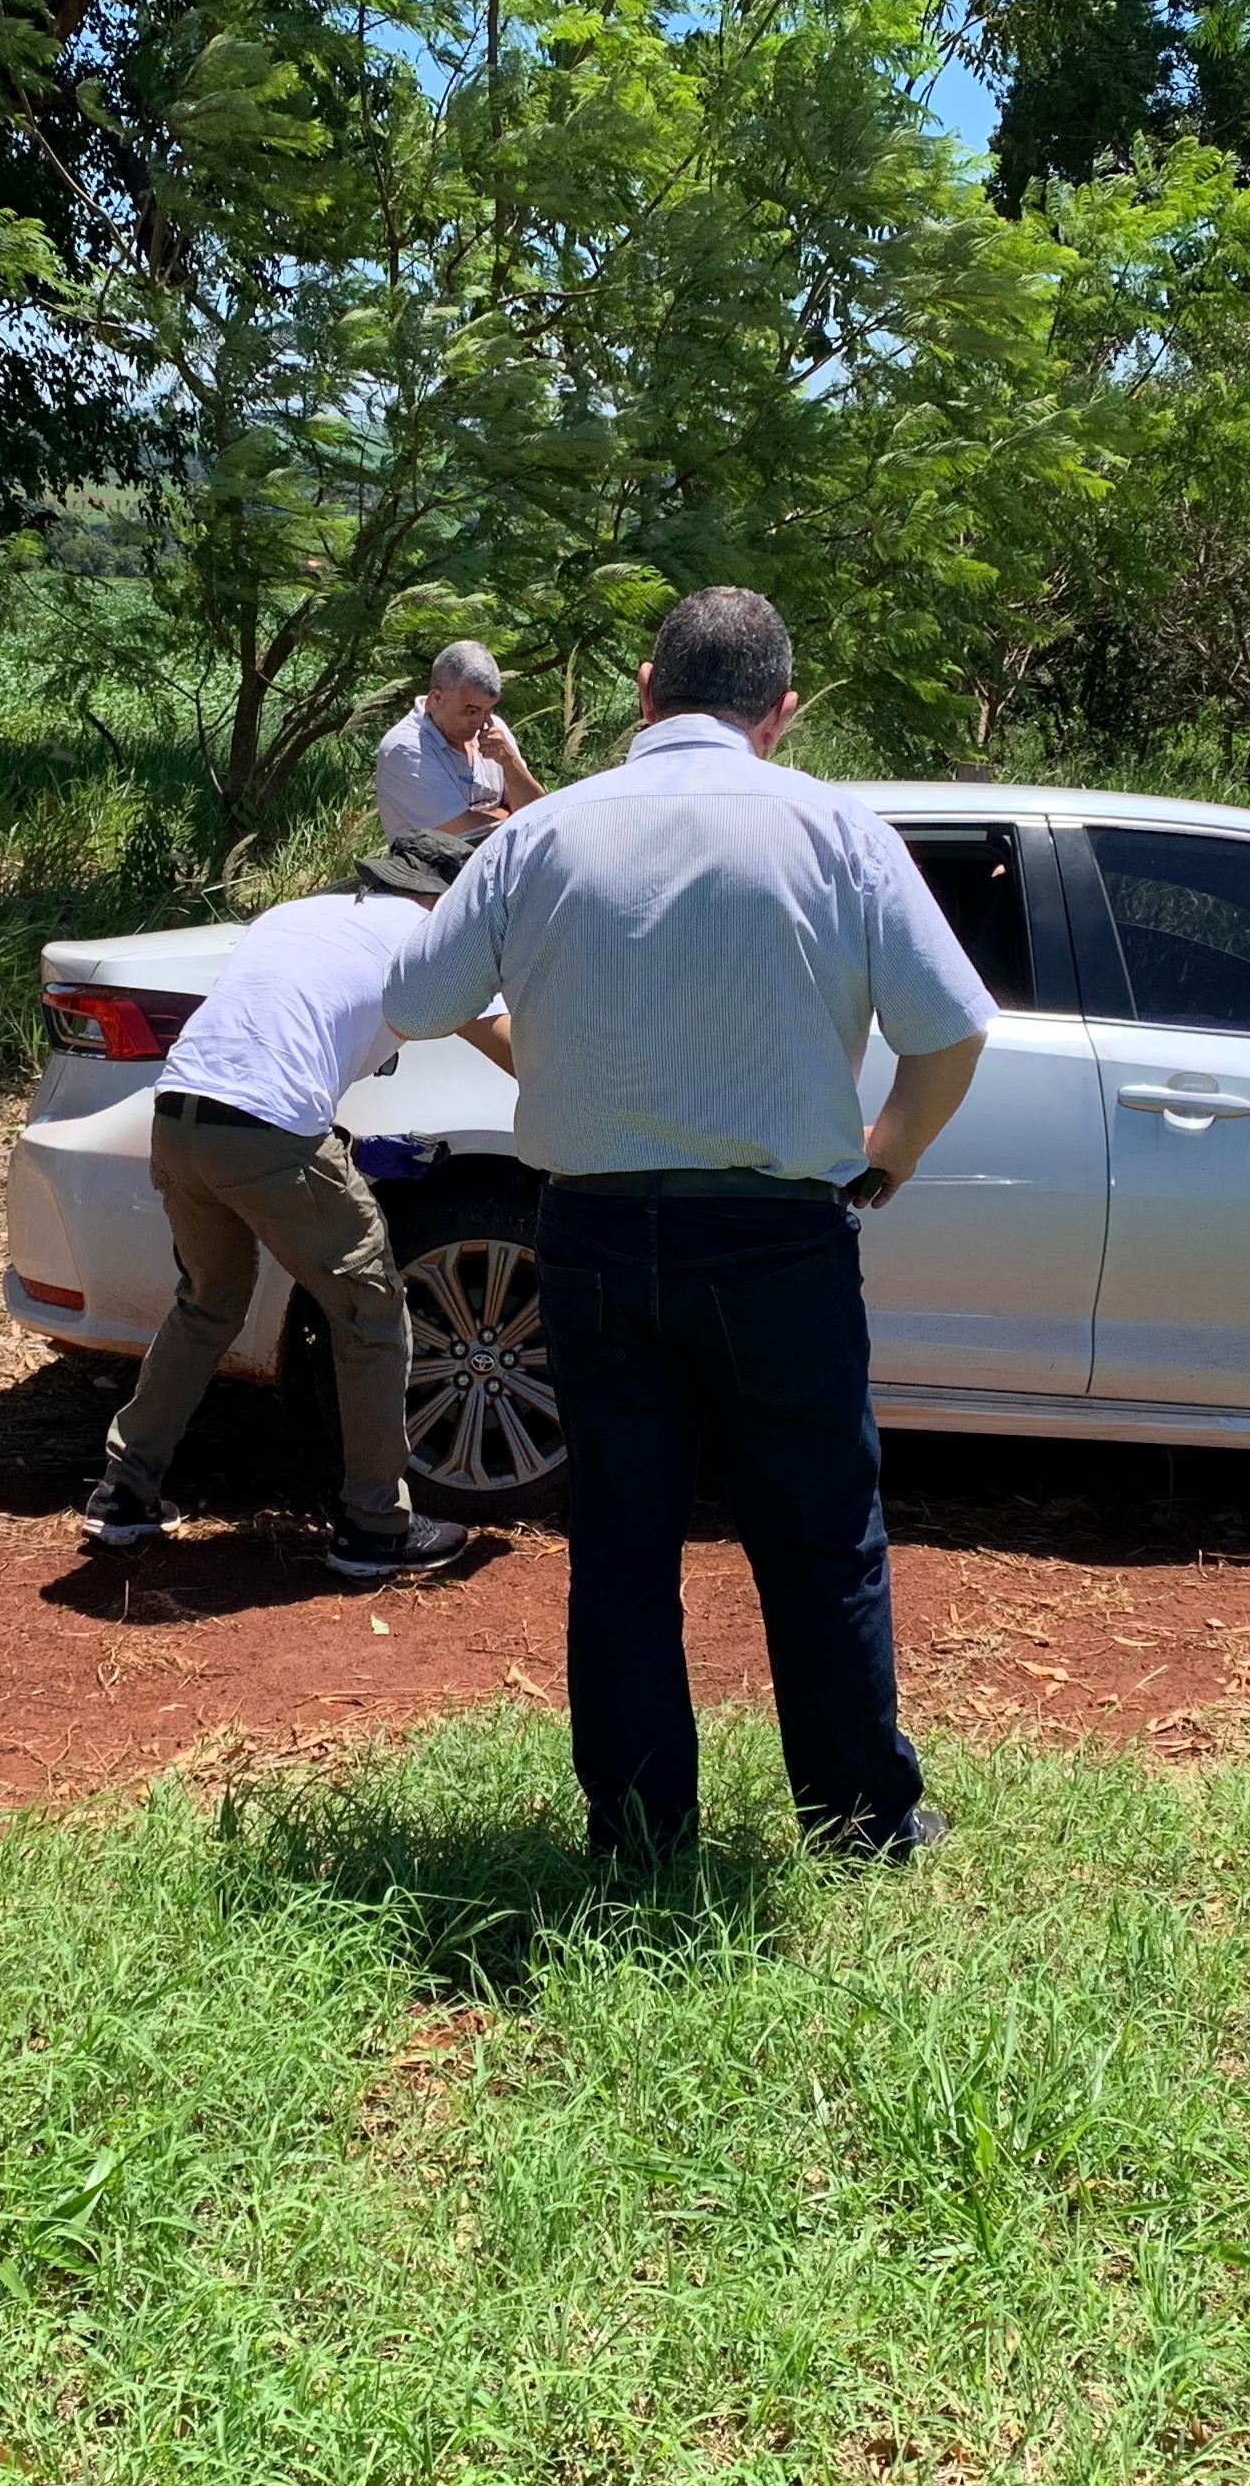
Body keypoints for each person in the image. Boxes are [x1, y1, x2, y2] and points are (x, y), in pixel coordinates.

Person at [382, 585, 989, 1867]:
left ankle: (642, 1831)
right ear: (782, 711)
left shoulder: (543, 837)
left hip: (595, 1236)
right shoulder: (837, 827)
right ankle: (862, 1821)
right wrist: (890, 1156)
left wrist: (537, 1047)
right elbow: (951, 1030)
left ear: (646, 690)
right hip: (781, 1240)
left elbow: (419, 995)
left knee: (621, 1541)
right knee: (821, 1532)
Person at [83, 829, 514, 1577]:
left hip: (180, 1118)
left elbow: (279, 1029)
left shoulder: (295, 915)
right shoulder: (430, 939)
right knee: (371, 1315)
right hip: (268, 1131)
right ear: (446, 897)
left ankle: (123, 1493)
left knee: (209, 1303)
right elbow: (509, 1045)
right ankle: (375, 1525)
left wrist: (337, 1140)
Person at [373, 640, 543, 839]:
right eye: (471, 711)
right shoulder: (405, 748)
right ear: (436, 698)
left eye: (488, 710)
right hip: (434, 868)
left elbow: (539, 814)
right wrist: (513, 815)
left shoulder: (495, 731)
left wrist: (509, 762)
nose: (481, 722)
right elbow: (463, 834)